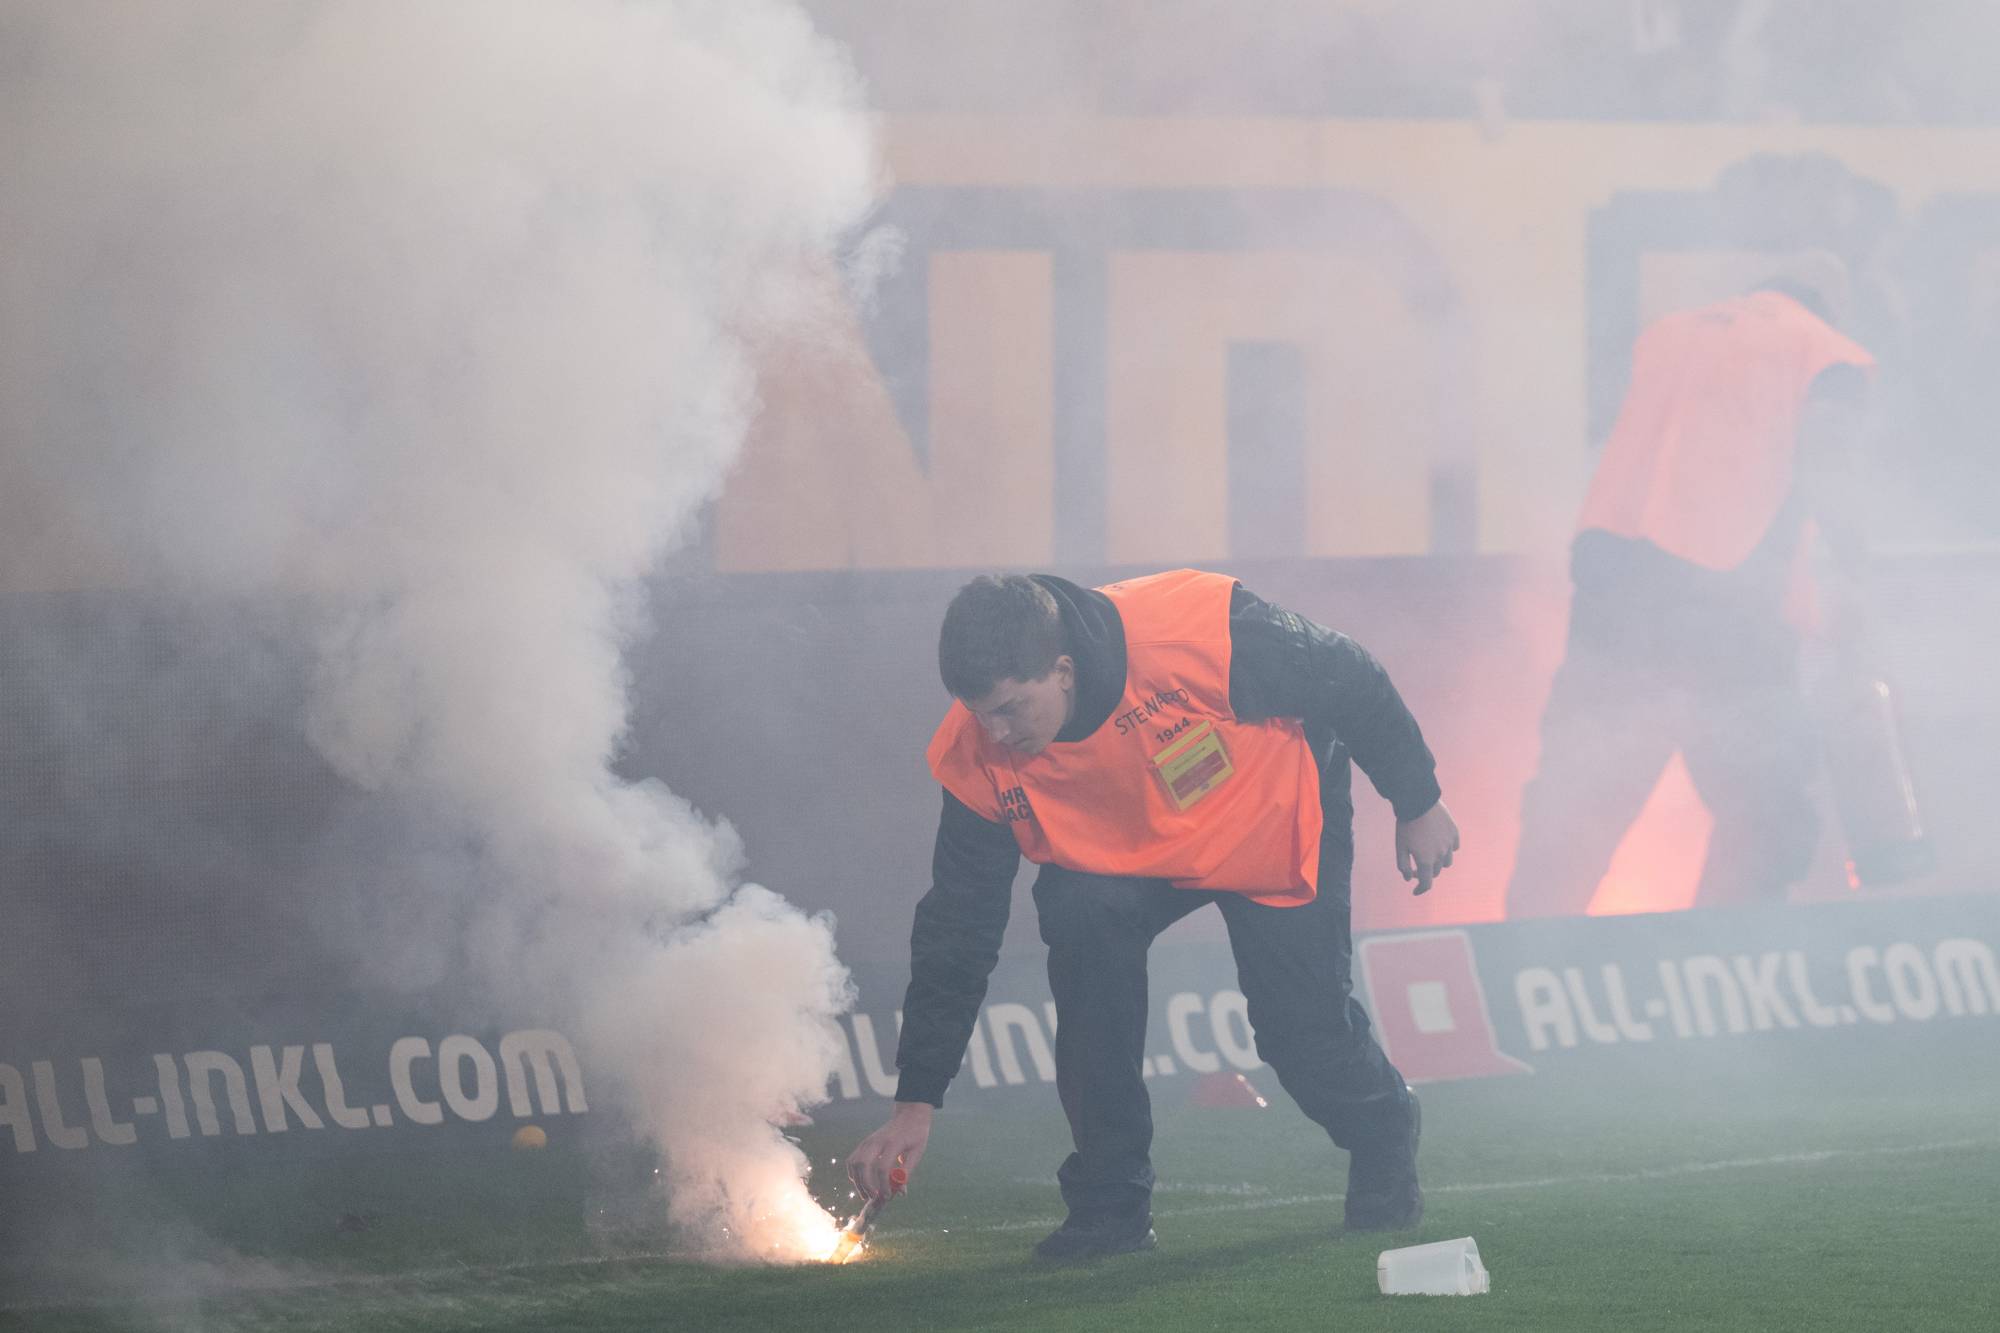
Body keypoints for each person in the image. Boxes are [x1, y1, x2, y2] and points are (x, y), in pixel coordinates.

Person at [846, 568, 1459, 1260]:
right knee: (1079, 921)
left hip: (1267, 819)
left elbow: (1350, 675)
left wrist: (1417, 800)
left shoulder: (1199, 633)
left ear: (1064, 671)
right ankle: (1111, 1205)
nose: (995, 731)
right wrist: (916, 1100)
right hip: (1128, 853)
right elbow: (957, 929)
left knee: (1301, 1033)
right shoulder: (975, 752)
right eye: (979, 712)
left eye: (1012, 708)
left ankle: (1383, 1125)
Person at [1505, 251, 1875, 918]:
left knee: (1579, 798)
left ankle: (1524, 963)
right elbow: (1835, 480)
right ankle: (1717, 960)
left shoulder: (1674, 335)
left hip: (1611, 594)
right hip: (1724, 601)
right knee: (1766, 812)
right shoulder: (1825, 353)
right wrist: (1858, 574)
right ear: (1830, 308)